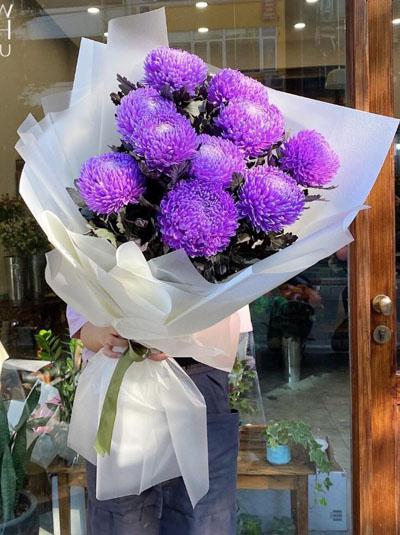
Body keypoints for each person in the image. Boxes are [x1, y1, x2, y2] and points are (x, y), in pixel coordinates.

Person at [67, 306, 240, 535]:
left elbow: (228, 331)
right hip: (122, 388)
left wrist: (178, 338)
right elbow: (82, 328)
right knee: (123, 517)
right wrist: (103, 334)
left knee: (202, 518)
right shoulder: (87, 270)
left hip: (197, 386)